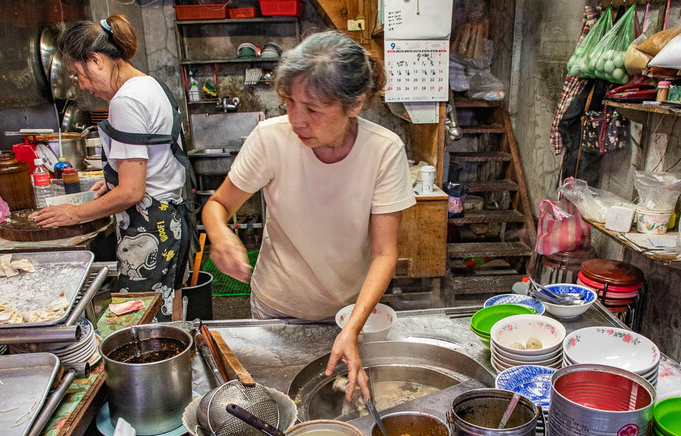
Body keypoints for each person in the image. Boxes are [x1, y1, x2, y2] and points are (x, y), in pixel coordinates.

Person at [203, 31, 416, 401]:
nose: (297, 120)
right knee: (277, 405)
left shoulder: (383, 150)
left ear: (356, 104)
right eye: (289, 102)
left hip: (349, 311)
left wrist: (352, 326)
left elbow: (384, 253)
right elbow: (217, 205)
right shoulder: (271, 139)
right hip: (277, 312)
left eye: (313, 109)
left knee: (342, 407)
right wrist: (221, 235)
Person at [31, 14, 194, 319]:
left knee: (141, 320)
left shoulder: (126, 100)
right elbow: (156, 158)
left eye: (78, 74)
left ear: (95, 60)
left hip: (150, 229)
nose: (82, 85)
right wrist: (113, 180)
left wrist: (74, 212)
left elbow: (133, 192)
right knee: (168, 310)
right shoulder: (150, 85)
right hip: (171, 220)